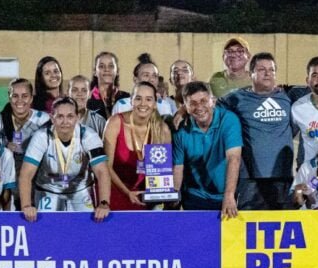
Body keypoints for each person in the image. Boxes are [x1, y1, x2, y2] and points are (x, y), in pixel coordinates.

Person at [218, 52, 300, 210]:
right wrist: (181, 112)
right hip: (250, 182)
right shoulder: (236, 98)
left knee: (281, 230)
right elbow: (208, 108)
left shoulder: (288, 96)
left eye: (272, 70)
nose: (268, 73)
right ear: (251, 73)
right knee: (247, 232)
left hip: (282, 179)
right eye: (262, 69)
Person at [18, 96, 111, 221]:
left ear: (77, 117)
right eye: (60, 116)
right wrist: (27, 206)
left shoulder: (89, 136)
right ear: (52, 118)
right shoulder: (41, 137)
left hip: (80, 191)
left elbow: (102, 172)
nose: (65, 121)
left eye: (70, 116)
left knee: (86, 230)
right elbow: (26, 174)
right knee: (46, 229)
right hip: (48, 191)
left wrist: (104, 203)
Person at [173, 81, 243, 218]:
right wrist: (174, 197)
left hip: (226, 195)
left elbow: (233, 158)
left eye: (203, 101)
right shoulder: (180, 130)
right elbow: (178, 168)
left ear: (213, 102)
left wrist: (229, 196)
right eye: (192, 103)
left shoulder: (228, 120)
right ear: (186, 107)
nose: (199, 107)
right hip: (194, 197)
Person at [104, 81, 172, 211]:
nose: (143, 104)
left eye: (148, 99)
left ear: (155, 103)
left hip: (146, 198)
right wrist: (127, 193)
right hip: (117, 192)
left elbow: (162, 173)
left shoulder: (162, 130)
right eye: (138, 98)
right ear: (131, 101)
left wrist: (156, 198)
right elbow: (106, 167)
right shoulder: (115, 123)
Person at [0, 78, 51, 206]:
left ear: (31, 98)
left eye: (25, 96)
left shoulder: (43, 120)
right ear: (9, 98)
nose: (20, 100)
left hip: (37, 178)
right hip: (8, 179)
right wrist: (4, 146)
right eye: (15, 96)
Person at [112, 53, 178, 119]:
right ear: (135, 80)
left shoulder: (164, 105)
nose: (151, 79)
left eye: (154, 76)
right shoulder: (122, 106)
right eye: (146, 75)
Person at [87, 51, 129, 119]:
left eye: (111, 66)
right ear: (95, 72)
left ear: (117, 71)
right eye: (101, 66)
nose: (106, 69)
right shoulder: (87, 99)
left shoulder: (127, 98)